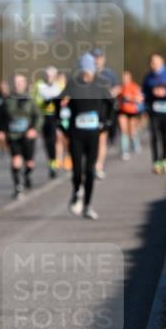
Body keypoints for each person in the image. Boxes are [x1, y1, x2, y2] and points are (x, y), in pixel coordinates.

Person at [61, 53, 113, 220]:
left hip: (93, 134)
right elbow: (58, 103)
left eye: (89, 71)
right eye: (84, 71)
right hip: (76, 134)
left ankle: (88, 206)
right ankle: (77, 191)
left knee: (90, 170)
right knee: (76, 170)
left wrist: (106, 122)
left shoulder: (100, 84)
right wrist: (60, 124)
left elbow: (111, 104)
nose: (86, 75)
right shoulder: (72, 84)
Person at [3, 74, 43, 198]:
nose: (18, 84)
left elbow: (39, 116)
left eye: (20, 82)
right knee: (16, 160)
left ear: (25, 84)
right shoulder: (7, 100)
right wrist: (0, 131)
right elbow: (1, 117)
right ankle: (18, 186)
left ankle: (26, 176)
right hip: (13, 135)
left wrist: (34, 129)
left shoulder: (30, 100)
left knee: (29, 163)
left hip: (27, 136)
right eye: (16, 82)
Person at [32, 66, 66, 178]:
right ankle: (52, 162)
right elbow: (34, 100)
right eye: (47, 75)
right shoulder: (39, 85)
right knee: (48, 141)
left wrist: (59, 102)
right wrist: (44, 102)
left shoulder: (60, 85)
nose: (49, 77)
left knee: (58, 139)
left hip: (57, 116)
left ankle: (58, 161)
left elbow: (66, 99)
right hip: (44, 116)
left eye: (51, 75)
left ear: (55, 76)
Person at [92, 47, 119, 180]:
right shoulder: (87, 73)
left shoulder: (110, 74)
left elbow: (118, 87)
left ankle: (99, 166)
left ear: (104, 59)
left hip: (104, 109)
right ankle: (91, 164)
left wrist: (109, 94)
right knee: (91, 139)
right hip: (90, 109)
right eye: (95, 58)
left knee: (102, 139)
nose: (97, 61)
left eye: (99, 58)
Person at [117, 70, 144, 160]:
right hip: (122, 111)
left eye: (126, 77)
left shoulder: (134, 86)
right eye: (123, 78)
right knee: (123, 130)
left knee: (131, 131)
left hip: (132, 111)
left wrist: (131, 98)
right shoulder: (120, 87)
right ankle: (125, 151)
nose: (124, 79)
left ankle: (136, 144)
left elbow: (140, 99)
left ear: (130, 78)